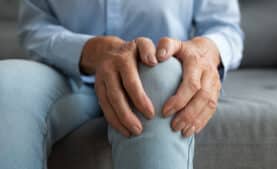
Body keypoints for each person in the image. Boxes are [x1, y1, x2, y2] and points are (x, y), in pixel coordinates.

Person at [0, 0, 243, 169]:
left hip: (158, 69)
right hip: (68, 73)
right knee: (6, 84)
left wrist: (206, 52)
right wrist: (92, 50)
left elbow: (225, 28)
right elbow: (35, 28)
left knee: (160, 79)